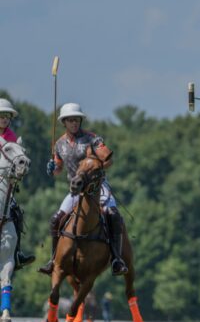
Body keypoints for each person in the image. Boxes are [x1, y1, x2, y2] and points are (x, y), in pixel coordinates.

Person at [38, 102, 128, 276]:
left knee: (112, 213)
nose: (74, 123)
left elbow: (109, 160)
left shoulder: (92, 139)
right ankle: (53, 260)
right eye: (71, 120)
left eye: (77, 120)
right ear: (64, 122)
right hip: (76, 189)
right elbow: (58, 170)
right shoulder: (59, 144)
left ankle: (116, 259)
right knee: (56, 219)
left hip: (97, 186)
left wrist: (98, 164)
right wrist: (51, 168)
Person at [0, 98, 35, 270]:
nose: (4, 119)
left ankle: (17, 253)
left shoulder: (11, 137)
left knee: (16, 212)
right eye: (1, 116)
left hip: (4, 186)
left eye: (7, 116)